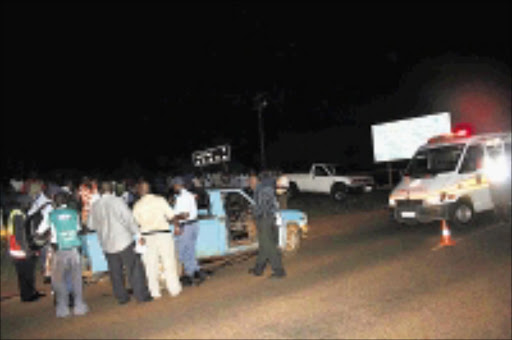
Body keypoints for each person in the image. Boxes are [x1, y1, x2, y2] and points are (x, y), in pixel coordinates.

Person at [87, 181, 152, 304]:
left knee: (115, 272)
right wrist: (138, 234)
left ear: (100, 191)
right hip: (123, 240)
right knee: (134, 268)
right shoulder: (118, 201)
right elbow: (129, 219)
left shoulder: (95, 205)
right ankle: (141, 296)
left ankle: (122, 297)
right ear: (112, 190)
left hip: (107, 243)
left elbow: (91, 225)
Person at [36, 192, 88, 318]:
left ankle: (63, 310)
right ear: (66, 201)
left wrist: (46, 236)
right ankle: (79, 307)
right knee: (76, 280)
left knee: (59, 281)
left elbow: (39, 232)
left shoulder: (51, 215)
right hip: (74, 250)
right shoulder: (74, 213)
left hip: (59, 251)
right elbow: (78, 230)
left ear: (55, 202)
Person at [133, 181, 182, 299]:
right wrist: (176, 226)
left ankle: (154, 292)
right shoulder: (160, 200)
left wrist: (139, 238)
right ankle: (174, 289)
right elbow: (172, 216)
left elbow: (135, 225)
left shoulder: (137, 205)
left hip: (147, 236)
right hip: (163, 234)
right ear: (149, 189)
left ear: (140, 191)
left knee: (150, 265)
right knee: (169, 261)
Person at [248, 172, 286, 278]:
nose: (250, 184)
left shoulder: (262, 189)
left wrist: (254, 212)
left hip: (265, 219)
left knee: (269, 245)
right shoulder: (263, 188)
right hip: (267, 218)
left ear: (257, 181)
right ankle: (258, 269)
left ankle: (279, 271)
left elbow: (264, 206)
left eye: (251, 181)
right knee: (264, 245)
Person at [172, 177, 208, 286]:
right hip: (193, 225)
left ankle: (190, 275)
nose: (173, 188)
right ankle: (196, 271)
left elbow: (184, 215)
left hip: (186, 226)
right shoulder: (189, 195)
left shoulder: (182, 197)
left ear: (178, 185)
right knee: (191, 250)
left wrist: (173, 219)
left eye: (174, 186)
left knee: (183, 252)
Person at [7, 205, 46, 302]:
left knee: (26, 273)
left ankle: (30, 292)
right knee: (26, 273)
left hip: (17, 249)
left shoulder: (15, 213)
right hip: (21, 250)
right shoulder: (19, 215)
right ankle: (27, 295)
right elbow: (20, 235)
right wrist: (28, 250)